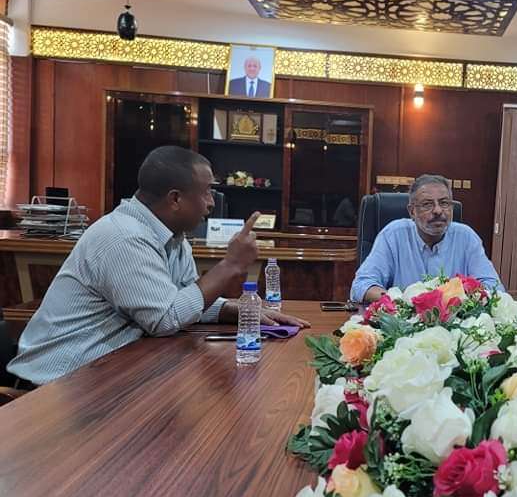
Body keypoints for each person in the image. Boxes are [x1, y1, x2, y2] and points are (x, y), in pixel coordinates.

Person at [7, 146, 309, 386]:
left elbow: (183, 300)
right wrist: (230, 264)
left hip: (106, 373)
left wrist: (235, 309)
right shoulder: (124, 237)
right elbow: (166, 318)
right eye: (206, 192)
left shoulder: (174, 238)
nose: (211, 202)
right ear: (175, 199)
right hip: (55, 386)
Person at [350, 174, 501, 303]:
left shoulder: (466, 237)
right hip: (404, 323)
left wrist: (458, 299)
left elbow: (494, 288)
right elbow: (361, 286)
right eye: (427, 204)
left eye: (444, 203)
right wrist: (403, 302)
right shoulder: (393, 235)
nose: (438, 211)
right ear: (412, 212)